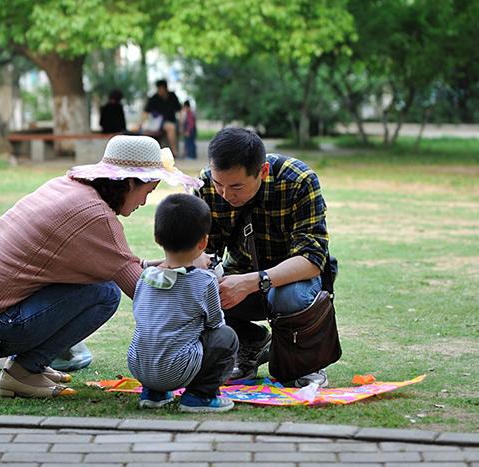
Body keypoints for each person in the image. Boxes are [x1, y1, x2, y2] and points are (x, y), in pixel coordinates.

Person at [0, 135, 201, 399]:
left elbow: (122, 266)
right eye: (148, 191)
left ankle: (30, 365)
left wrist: (175, 264)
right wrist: (199, 290)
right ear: (131, 182)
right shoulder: (96, 217)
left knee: (101, 285)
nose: (144, 202)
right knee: (106, 294)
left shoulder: (66, 188)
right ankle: (23, 372)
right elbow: (143, 292)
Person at [195, 127, 332, 388]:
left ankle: (306, 362)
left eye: (236, 186)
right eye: (218, 183)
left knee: (286, 295)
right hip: (239, 276)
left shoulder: (299, 181)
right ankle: (250, 343)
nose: (225, 194)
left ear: (263, 171)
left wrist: (250, 282)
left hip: (295, 279)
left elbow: (312, 259)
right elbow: (204, 252)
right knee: (200, 286)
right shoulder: (205, 186)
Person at [127, 193, 238, 413]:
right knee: (227, 337)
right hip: (176, 370)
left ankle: (153, 393)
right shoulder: (204, 281)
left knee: (158, 333)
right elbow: (216, 324)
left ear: (157, 238)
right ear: (204, 242)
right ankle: (199, 396)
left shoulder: (146, 276)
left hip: (139, 366)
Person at [141, 79, 182, 157]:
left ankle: (173, 151)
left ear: (165, 88)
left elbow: (179, 110)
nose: (159, 90)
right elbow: (146, 112)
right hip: (158, 123)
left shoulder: (172, 96)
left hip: (171, 120)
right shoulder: (154, 98)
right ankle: (174, 151)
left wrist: (181, 123)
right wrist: (143, 123)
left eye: (160, 88)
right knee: (171, 127)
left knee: (172, 126)